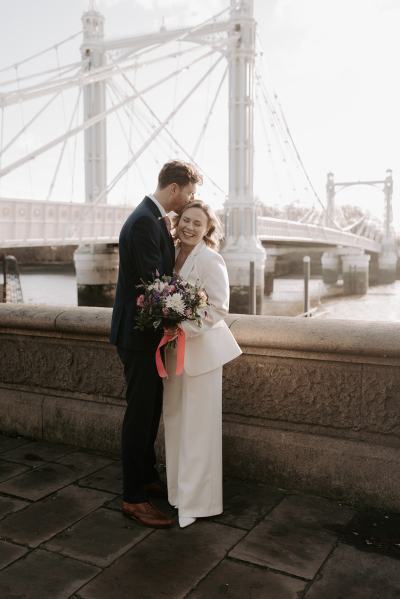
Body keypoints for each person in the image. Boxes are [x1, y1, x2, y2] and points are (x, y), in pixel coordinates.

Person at [110, 160, 202, 528]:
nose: (191, 201)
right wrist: (188, 308)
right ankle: (133, 497)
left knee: (150, 411)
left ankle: (146, 475)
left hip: (144, 334)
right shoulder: (143, 222)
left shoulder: (152, 218)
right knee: (139, 414)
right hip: (136, 336)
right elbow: (155, 285)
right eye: (190, 193)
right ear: (175, 189)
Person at [163, 200, 242, 528]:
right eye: (186, 220)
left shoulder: (211, 260)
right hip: (172, 352)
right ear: (178, 222)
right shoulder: (169, 255)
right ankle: (178, 494)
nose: (190, 227)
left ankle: (199, 504)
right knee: (176, 422)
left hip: (202, 354)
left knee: (199, 430)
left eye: (198, 223)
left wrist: (182, 327)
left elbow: (219, 308)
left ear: (208, 229)